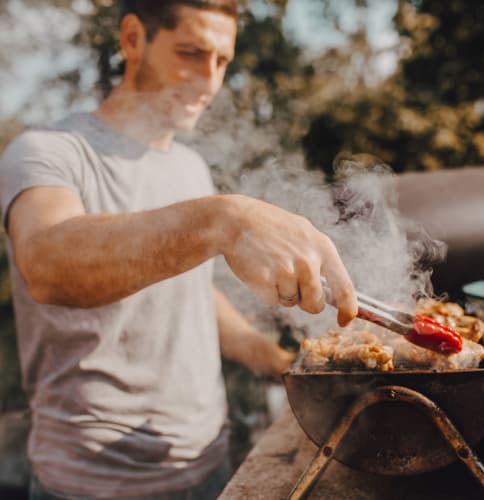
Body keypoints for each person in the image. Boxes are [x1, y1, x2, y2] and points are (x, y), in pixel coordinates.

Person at [0, 1, 357, 498]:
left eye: (223, 61)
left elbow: (190, 296)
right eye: (191, 53)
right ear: (131, 39)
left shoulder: (189, 168)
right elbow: (48, 264)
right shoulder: (49, 151)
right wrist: (223, 218)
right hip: (91, 481)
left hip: (208, 460)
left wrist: (285, 363)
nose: (210, 81)